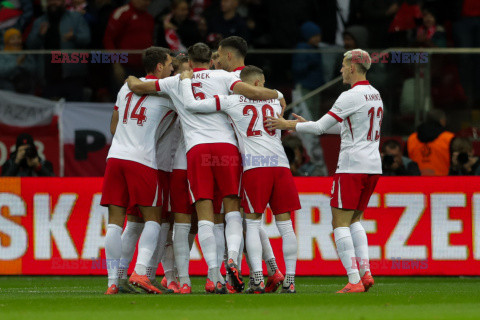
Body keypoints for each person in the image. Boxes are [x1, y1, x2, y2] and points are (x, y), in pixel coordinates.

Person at [125, 42, 282, 294]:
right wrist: (278, 95)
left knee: (199, 218)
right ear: (211, 60)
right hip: (228, 150)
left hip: (194, 153)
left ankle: (204, 278)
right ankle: (237, 262)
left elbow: (138, 86)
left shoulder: (175, 82)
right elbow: (252, 93)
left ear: (189, 62)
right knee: (234, 213)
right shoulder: (225, 76)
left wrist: (130, 77)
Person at [266, 49, 382, 293]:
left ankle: (353, 280)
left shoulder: (349, 96)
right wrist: (303, 125)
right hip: (372, 166)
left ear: (352, 67)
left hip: (351, 167)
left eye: (342, 65)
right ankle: (366, 272)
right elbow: (347, 130)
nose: (340, 69)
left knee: (339, 224)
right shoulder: (375, 94)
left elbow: (319, 128)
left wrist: (289, 124)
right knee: (356, 220)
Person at [180, 65, 300, 294]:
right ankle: (291, 280)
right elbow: (275, 105)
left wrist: (187, 81)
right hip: (281, 166)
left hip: (256, 168)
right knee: (285, 226)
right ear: (258, 83)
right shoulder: (276, 102)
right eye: (263, 83)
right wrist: (279, 94)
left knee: (253, 224)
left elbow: (193, 105)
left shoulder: (230, 101)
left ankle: (256, 278)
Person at [101, 46, 181, 295]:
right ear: (159, 67)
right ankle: (141, 272)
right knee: (154, 220)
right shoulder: (169, 93)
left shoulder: (126, 87)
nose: (172, 68)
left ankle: (113, 282)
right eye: (169, 64)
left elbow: (114, 126)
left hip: (115, 157)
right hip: (142, 160)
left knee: (115, 223)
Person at [216, 36, 285, 293]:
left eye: (218, 55)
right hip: (259, 155)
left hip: (235, 154)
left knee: (234, 215)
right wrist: (279, 97)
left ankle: (233, 272)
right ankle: (273, 269)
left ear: (230, 56)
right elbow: (280, 106)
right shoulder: (255, 80)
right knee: (250, 219)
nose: (216, 60)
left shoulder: (228, 81)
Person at [27, 0, 90, 101]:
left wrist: (74, 37)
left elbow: (86, 39)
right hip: (48, 78)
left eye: (56, 0)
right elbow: (30, 45)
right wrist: (39, 36)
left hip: (72, 76)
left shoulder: (76, 18)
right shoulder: (39, 22)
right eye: (49, 1)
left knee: (74, 111)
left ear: (63, 2)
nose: (52, 3)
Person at [103, 0, 154, 86]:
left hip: (145, 68)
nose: (147, 3)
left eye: (149, 1)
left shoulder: (149, 17)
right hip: (125, 67)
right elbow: (108, 40)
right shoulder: (122, 14)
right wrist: (116, 65)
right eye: (145, 0)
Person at [406, 109, 455, 176]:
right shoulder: (449, 138)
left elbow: (405, 161)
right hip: (443, 182)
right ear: (442, 121)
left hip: (416, 182)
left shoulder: (411, 138)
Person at [292, 21, 324, 120]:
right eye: (315, 36)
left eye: (319, 36)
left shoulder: (316, 49)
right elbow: (298, 69)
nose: (318, 39)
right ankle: (306, 133)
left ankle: (314, 133)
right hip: (305, 85)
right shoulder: (302, 50)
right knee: (306, 110)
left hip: (315, 85)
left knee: (314, 110)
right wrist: (310, 63)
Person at [0, 28, 36, 94]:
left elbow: (33, 70)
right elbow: (2, 71)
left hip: (27, 91)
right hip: (8, 92)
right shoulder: (2, 54)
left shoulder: (25, 53)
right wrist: (16, 63)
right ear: (7, 41)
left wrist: (23, 64)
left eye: (18, 38)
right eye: (13, 39)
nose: (16, 41)